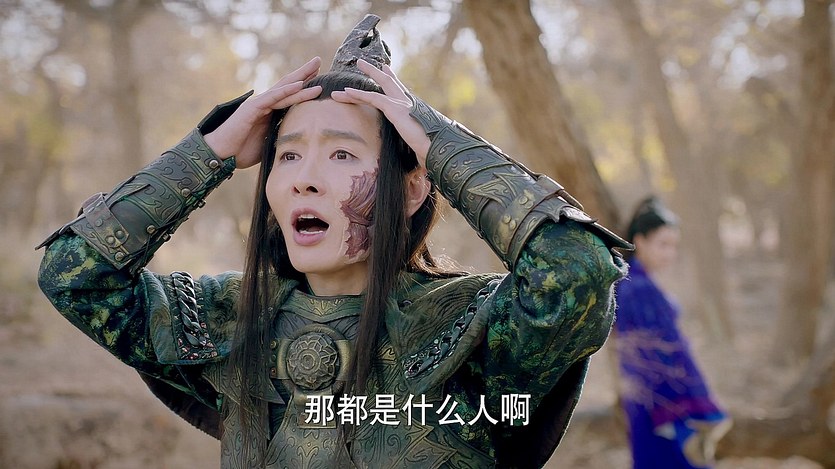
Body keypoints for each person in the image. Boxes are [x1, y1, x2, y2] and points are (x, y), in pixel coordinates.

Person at [37, 15, 630, 468]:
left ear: (414, 187)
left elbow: (577, 268)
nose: (305, 178)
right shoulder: (227, 320)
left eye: (343, 154)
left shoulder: (470, 329)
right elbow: (75, 273)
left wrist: (435, 142)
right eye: (288, 155)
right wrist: (210, 152)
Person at [614, 197, 731, 469]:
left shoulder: (634, 283)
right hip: (664, 404)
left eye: (674, 246)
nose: (670, 253)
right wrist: (696, 405)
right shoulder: (639, 288)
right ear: (640, 241)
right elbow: (665, 352)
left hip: (647, 399)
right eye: (663, 244)